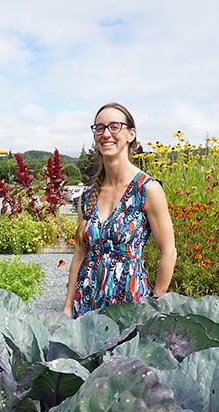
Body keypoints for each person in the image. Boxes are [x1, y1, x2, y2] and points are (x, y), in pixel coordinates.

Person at [63, 102, 176, 318]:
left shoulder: (147, 189)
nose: (106, 134)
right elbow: (79, 254)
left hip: (130, 305)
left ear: (130, 134)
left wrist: (154, 304)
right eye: (100, 128)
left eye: (115, 127)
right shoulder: (87, 197)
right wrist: (68, 307)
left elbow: (169, 252)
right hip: (87, 304)